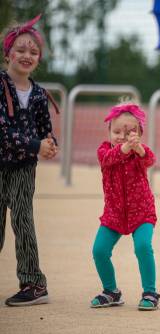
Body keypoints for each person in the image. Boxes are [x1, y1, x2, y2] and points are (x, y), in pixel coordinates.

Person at [0, 14, 59, 306]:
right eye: (21, 50)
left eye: (33, 52)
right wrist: (36, 145)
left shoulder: (37, 93)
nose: (27, 55)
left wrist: (49, 144)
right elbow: (3, 132)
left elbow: (44, 126)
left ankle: (34, 284)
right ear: (8, 52)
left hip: (24, 168)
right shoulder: (0, 86)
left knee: (24, 222)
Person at [90, 101, 160, 311]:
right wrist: (124, 147)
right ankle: (111, 291)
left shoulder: (140, 152)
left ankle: (150, 292)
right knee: (99, 250)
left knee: (143, 247)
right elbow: (109, 159)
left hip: (142, 212)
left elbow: (149, 159)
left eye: (130, 131)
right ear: (109, 132)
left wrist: (137, 147)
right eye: (117, 131)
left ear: (139, 133)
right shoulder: (104, 151)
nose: (122, 135)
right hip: (114, 214)